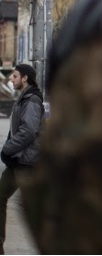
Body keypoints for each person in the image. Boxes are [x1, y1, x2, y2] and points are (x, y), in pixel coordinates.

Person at [0, 64, 42, 253]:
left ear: (25, 78)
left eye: (15, 76)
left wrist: (8, 148)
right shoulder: (24, 98)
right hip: (19, 162)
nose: (11, 79)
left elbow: (28, 131)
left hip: (26, 163)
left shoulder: (31, 100)